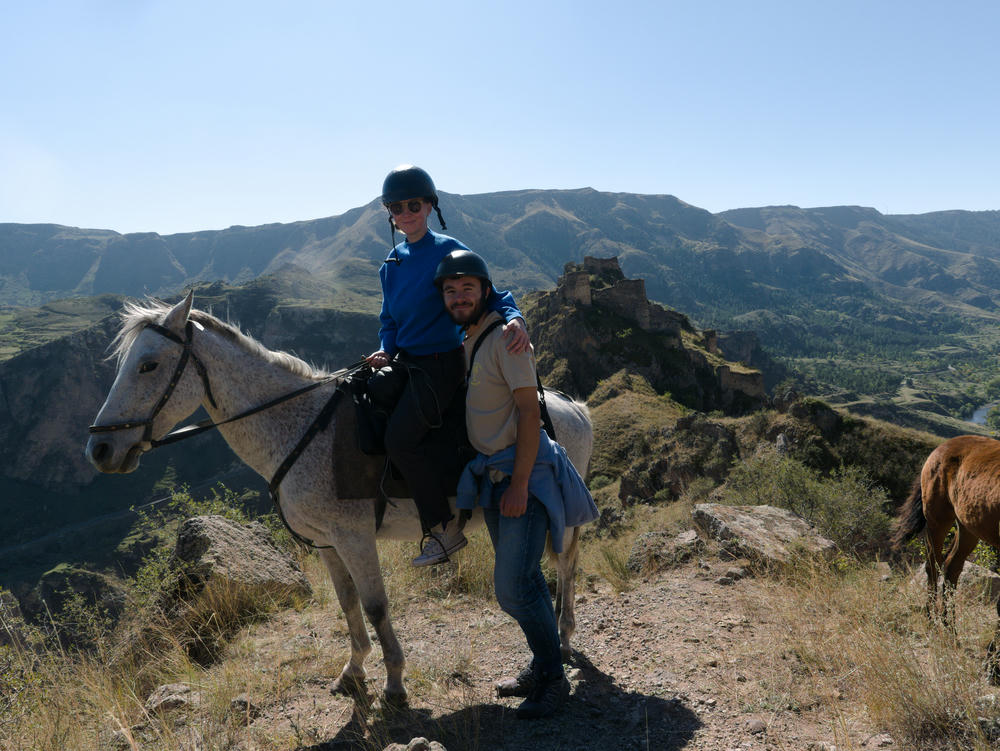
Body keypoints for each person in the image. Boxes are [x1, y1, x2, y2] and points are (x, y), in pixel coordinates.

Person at [436, 249, 598, 720]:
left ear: (485, 291)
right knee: (525, 580)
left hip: (519, 476)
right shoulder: (470, 337)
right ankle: (541, 663)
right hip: (491, 476)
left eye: (468, 288)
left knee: (511, 588)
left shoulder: (509, 341)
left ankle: (553, 680)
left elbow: (531, 414)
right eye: (451, 290)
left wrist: (521, 484)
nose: (459, 296)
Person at [366, 165, 530, 567]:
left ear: (429, 206)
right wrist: (385, 349)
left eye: (414, 204)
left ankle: (444, 530)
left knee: (400, 439)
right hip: (406, 362)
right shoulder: (391, 263)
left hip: (442, 364)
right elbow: (389, 320)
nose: (406, 213)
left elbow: (492, 294)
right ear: (390, 212)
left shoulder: (448, 250)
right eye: (397, 207)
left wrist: (515, 317)